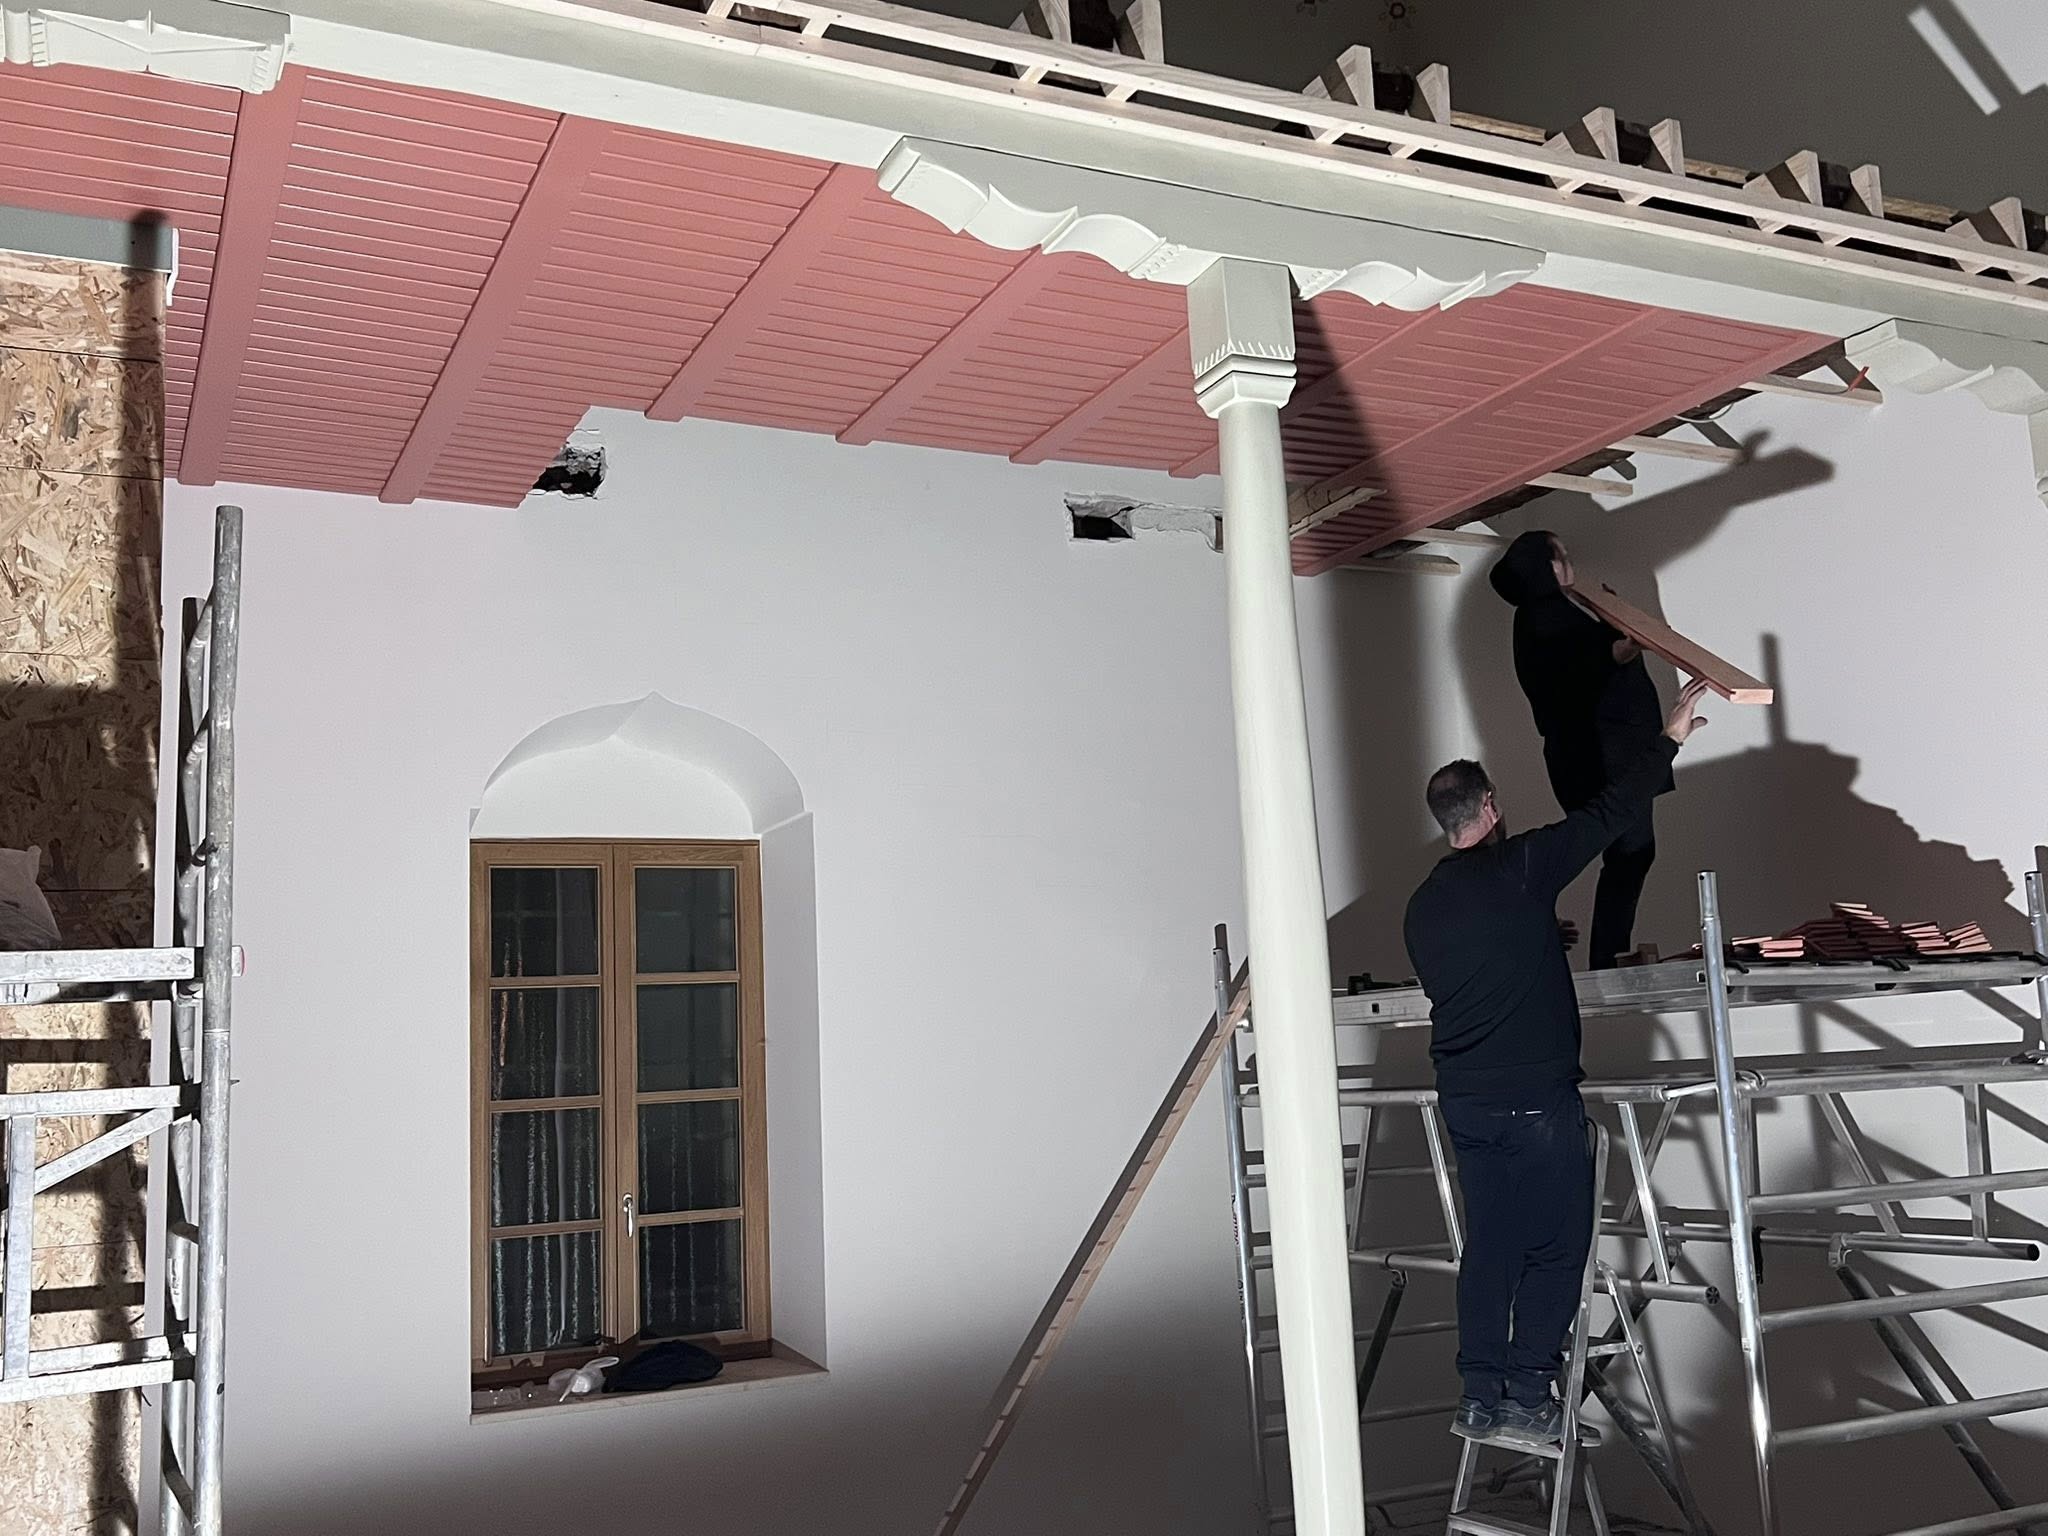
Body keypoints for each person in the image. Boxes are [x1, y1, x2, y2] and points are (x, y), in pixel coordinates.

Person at [1403, 677, 1711, 1446]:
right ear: (1491, 805)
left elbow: (1477, 966)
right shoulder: (1522, 867)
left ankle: (1479, 1398)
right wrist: (1669, 737)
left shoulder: (1426, 903)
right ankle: (1529, 1395)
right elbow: (1606, 816)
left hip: (1466, 1104)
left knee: (1491, 1249)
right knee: (1557, 1248)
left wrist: (1537, 932)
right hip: (1534, 1105)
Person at [1488, 530, 1669, 969]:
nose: (1569, 561)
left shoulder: (1551, 613)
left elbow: (1579, 663)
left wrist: (1611, 624)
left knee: (1627, 853)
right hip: (1599, 758)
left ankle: (1605, 957)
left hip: (1600, 755)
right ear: (1544, 566)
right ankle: (1602, 959)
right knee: (1627, 852)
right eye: (1561, 554)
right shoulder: (1541, 616)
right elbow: (1569, 678)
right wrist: (1616, 649)